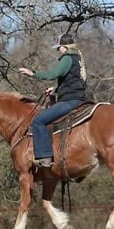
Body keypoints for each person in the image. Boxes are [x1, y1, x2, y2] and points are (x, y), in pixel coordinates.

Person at [17, 33, 88, 170]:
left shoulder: (67, 58)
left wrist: (32, 73)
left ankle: (44, 157)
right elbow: (74, 81)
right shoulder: (78, 59)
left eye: (58, 47)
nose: (57, 50)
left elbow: (53, 74)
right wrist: (55, 90)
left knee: (38, 120)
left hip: (70, 101)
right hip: (79, 98)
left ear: (64, 46)